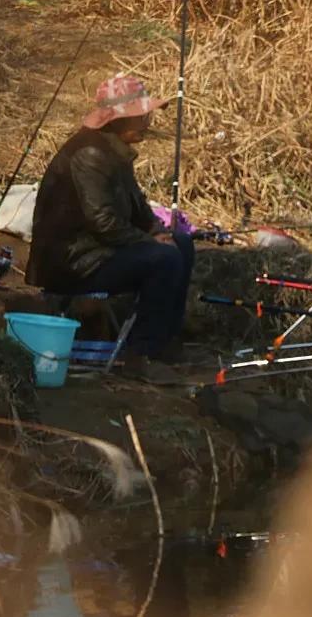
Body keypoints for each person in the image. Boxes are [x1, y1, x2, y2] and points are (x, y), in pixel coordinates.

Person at [27, 74, 192, 384]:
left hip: (99, 252)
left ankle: (165, 343)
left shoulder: (115, 151)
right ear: (118, 120)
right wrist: (150, 241)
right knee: (165, 258)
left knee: (181, 243)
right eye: (141, 115)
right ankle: (140, 355)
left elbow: (139, 207)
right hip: (75, 264)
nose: (147, 120)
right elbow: (103, 222)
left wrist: (158, 230)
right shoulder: (90, 154)